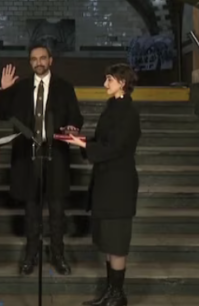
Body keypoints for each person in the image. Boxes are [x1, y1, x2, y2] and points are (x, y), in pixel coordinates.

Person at [0, 44, 84, 275]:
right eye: (34, 59)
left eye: (43, 58)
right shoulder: (20, 87)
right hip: (28, 156)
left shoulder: (64, 87)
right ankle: (30, 255)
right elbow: (3, 114)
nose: (39, 62)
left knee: (57, 210)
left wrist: (73, 126)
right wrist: (4, 90)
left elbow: (76, 116)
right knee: (31, 211)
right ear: (30, 62)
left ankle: (58, 255)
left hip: (56, 156)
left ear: (50, 60)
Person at [64, 63, 141, 306]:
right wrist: (80, 139)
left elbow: (114, 147)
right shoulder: (112, 107)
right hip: (107, 184)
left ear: (122, 82)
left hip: (119, 186)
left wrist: (84, 145)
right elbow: (102, 141)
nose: (105, 83)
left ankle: (118, 295)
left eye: (109, 79)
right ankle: (111, 293)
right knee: (109, 241)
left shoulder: (129, 113)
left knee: (117, 244)